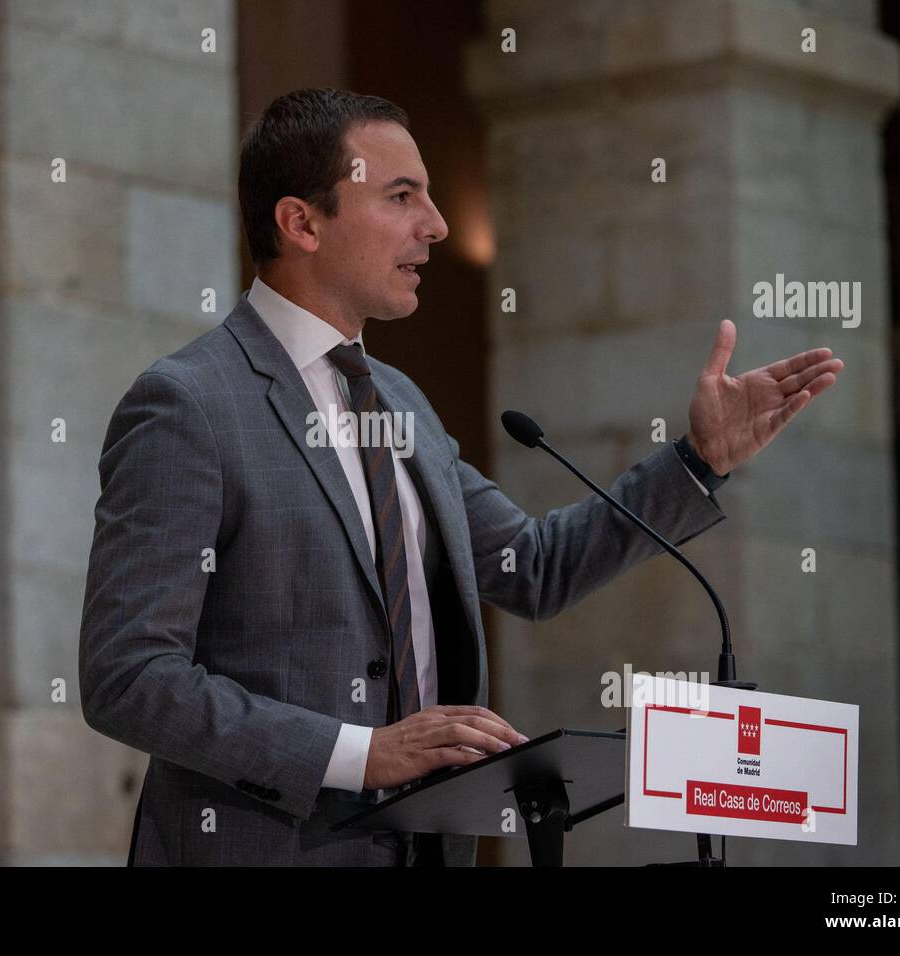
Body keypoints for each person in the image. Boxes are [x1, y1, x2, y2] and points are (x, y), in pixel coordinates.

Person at [77, 88, 844, 866]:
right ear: (301, 223)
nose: (437, 226)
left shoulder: (399, 402)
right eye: (402, 197)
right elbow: (128, 676)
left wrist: (698, 461)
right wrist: (360, 753)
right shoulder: (190, 404)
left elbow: (535, 568)